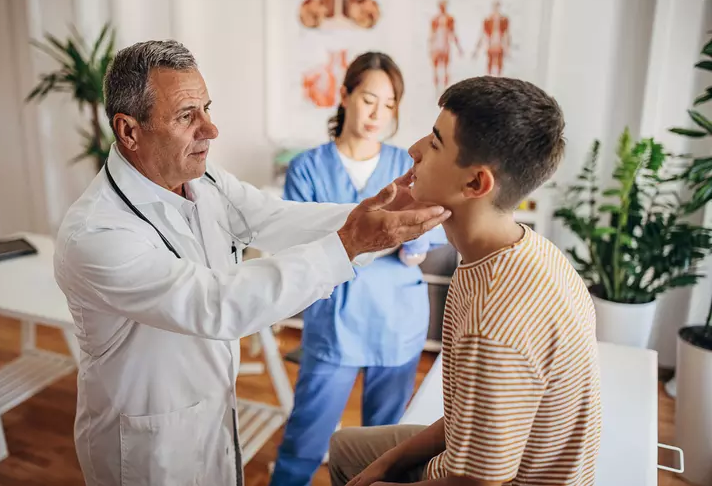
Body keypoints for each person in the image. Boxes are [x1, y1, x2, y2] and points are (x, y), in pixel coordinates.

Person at [52, 40, 450, 486]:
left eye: (206, 108)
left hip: (211, 415)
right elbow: (216, 304)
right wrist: (349, 243)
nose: (211, 129)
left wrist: (363, 218)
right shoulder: (96, 234)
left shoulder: (205, 182)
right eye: (187, 116)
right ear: (129, 131)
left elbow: (276, 218)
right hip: (148, 443)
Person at [328, 76, 602, 486]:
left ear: (476, 183)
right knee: (347, 447)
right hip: (475, 457)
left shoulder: (495, 322)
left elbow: (479, 482)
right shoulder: (523, 251)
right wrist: (385, 464)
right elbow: (471, 419)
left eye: (436, 143)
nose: (414, 149)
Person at [270, 52, 448, 486]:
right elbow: (296, 239)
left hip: (397, 322)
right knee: (304, 441)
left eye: (389, 105)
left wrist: (418, 238)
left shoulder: (408, 165)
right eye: (369, 99)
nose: (378, 114)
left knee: (383, 451)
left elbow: (438, 225)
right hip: (335, 324)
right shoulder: (308, 167)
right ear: (345, 96)